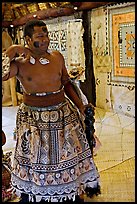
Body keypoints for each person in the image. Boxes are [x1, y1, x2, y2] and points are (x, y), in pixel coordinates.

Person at [2, 19, 100, 202]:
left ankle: (70, 192)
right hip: (33, 119)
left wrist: (80, 106)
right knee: (37, 158)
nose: (45, 39)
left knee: (67, 155)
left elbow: (65, 83)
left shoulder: (57, 57)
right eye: (40, 36)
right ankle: (38, 194)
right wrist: (12, 50)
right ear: (28, 40)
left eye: (46, 34)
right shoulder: (19, 63)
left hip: (63, 115)